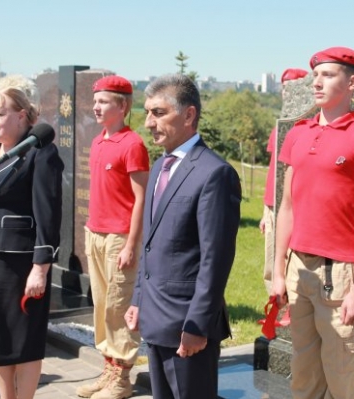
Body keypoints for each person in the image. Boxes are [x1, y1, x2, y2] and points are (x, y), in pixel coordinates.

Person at [272, 47, 354, 399]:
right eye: (315, 75)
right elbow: (287, 207)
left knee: (342, 377)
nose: (317, 81)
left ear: (352, 82)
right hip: (299, 270)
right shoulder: (298, 133)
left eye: (328, 75)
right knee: (303, 376)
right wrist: (279, 270)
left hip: (338, 275)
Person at [125, 74, 241, 399]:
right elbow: (151, 244)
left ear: (189, 115)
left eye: (159, 113)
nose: (149, 122)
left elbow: (215, 259)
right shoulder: (161, 166)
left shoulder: (214, 173)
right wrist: (138, 300)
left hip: (186, 326)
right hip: (156, 318)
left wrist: (197, 325)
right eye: (147, 112)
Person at [0, 77, 63, 399]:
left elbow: (48, 216)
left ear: (22, 115)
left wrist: (41, 267)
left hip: (20, 261)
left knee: (24, 339)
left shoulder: (40, 154)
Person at [75, 76, 149, 399]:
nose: (96, 106)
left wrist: (132, 244)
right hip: (96, 233)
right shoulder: (98, 141)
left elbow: (141, 198)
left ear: (122, 106)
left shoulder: (133, 144)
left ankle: (123, 378)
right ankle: (108, 369)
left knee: (119, 306)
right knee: (102, 305)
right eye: (95, 101)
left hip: (120, 237)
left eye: (103, 101)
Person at [259, 68, 308, 294]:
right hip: (272, 206)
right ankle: (273, 320)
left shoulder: (305, 126)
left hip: (292, 207)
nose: (287, 92)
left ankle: (286, 319)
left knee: (288, 264)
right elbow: (273, 171)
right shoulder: (279, 125)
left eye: (293, 87)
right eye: (284, 87)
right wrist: (265, 211)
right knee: (271, 264)